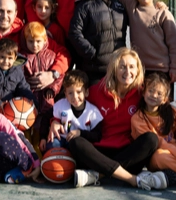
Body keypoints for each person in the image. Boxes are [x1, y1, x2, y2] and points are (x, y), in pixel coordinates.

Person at [69, 47, 166, 191]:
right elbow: (71, 103)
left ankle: (98, 175)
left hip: (127, 154)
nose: (128, 72)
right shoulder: (97, 91)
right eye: (122, 67)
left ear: (138, 70)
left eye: (132, 67)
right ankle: (132, 180)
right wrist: (55, 122)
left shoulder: (142, 93)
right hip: (98, 151)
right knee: (76, 142)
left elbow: (166, 107)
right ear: (114, 69)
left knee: (151, 139)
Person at [117, 0, 176, 101]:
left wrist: (175, 68)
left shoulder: (163, 13)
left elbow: (174, 44)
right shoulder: (132, 7)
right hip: (139, 70)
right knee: (141, 106)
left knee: (162, 106)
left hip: (162, 70)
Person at [69, 0, 128, 86]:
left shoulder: (122, 5)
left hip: (117, 69)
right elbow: (74, 33)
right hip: (93, 71)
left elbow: (141, 11)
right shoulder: (85, 5)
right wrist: (92, 53)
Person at [20, 21, 64, 153]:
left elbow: (60, 76)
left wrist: (52, 88)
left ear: (45, 40)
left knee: (41, 131)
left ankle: (41, 160)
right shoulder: (22, 58)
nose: (35, 45)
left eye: (38, 41)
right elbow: (18, 77)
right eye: (31, 41)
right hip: (28, 102)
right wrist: (26, 90)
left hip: (46, 101)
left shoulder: (51, 56)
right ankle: (29, 159)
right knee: (26, 131)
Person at [43, 70, 103, 153]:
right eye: (70, 93)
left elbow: (97, 136)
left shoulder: (93, 112)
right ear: (65, 94)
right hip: (61, 138)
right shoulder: (61, 105)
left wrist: (81, 133)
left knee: (79, 149)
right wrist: (43, 137)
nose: (75, 97)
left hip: (78, 144)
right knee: (52, 145)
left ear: (86, 92)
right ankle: (55, 164)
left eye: (79, 92)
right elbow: (46, 117)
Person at [0, 38, 35, 106]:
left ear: (15, 58)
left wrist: (33, 103)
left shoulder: (17, 71)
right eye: (2, 57)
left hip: (12, 108)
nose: (6, 61)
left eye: (10, 58)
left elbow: (23, 88)